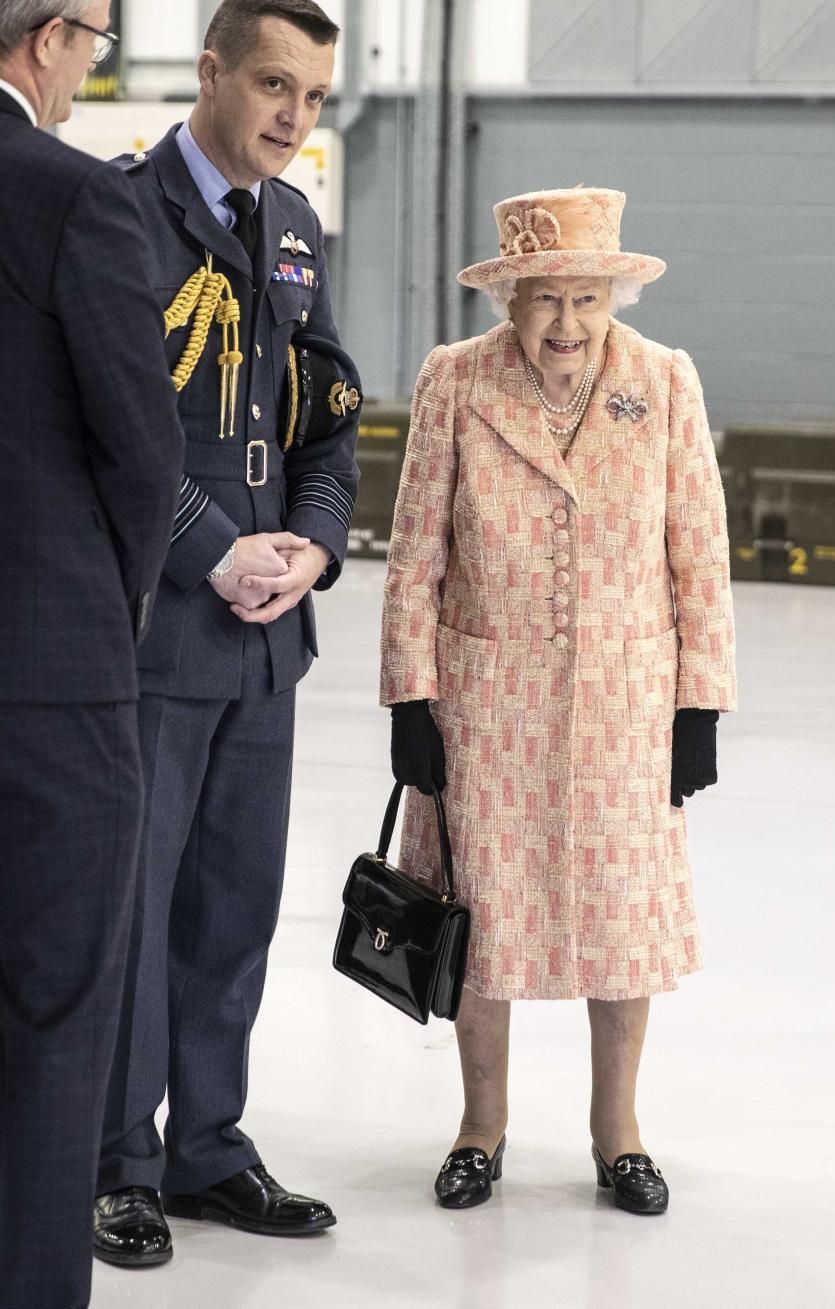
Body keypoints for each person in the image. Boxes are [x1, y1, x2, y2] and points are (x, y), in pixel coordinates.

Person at [381, 187, 736, 1214]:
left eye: (586, 298)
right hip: (487, 701)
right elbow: (415, 556)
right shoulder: (456, 381)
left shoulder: (664, 382)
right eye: (545, 301)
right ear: (511, 298)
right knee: (481, 921)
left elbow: (700, 554)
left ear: (614, 292)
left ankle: (616, 1133)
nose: (567, 325)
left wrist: (699, 705)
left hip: (628, 701)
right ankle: (480, 1128)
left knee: (621, 922)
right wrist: (413, 696)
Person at [92, 0, 360, 1269]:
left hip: (266, 642)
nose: (292, 118)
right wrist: (217, 548)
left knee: (236, 907)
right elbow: (118, 425)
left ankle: (209, 1148)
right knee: (135, 912)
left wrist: (312, 538)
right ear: (207, 72)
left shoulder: (296, 226)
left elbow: (328, 407)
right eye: (271, 85)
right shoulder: (121, 212)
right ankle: (117, 1164)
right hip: (161, 629)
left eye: (311, 98)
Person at [0, 2, 185, 1304]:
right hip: (46, 674)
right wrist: (99, 613)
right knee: (58, 1017)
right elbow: (144, 452)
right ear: (48, 37)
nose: (94, 68)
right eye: (99, 41)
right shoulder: (70, 197)